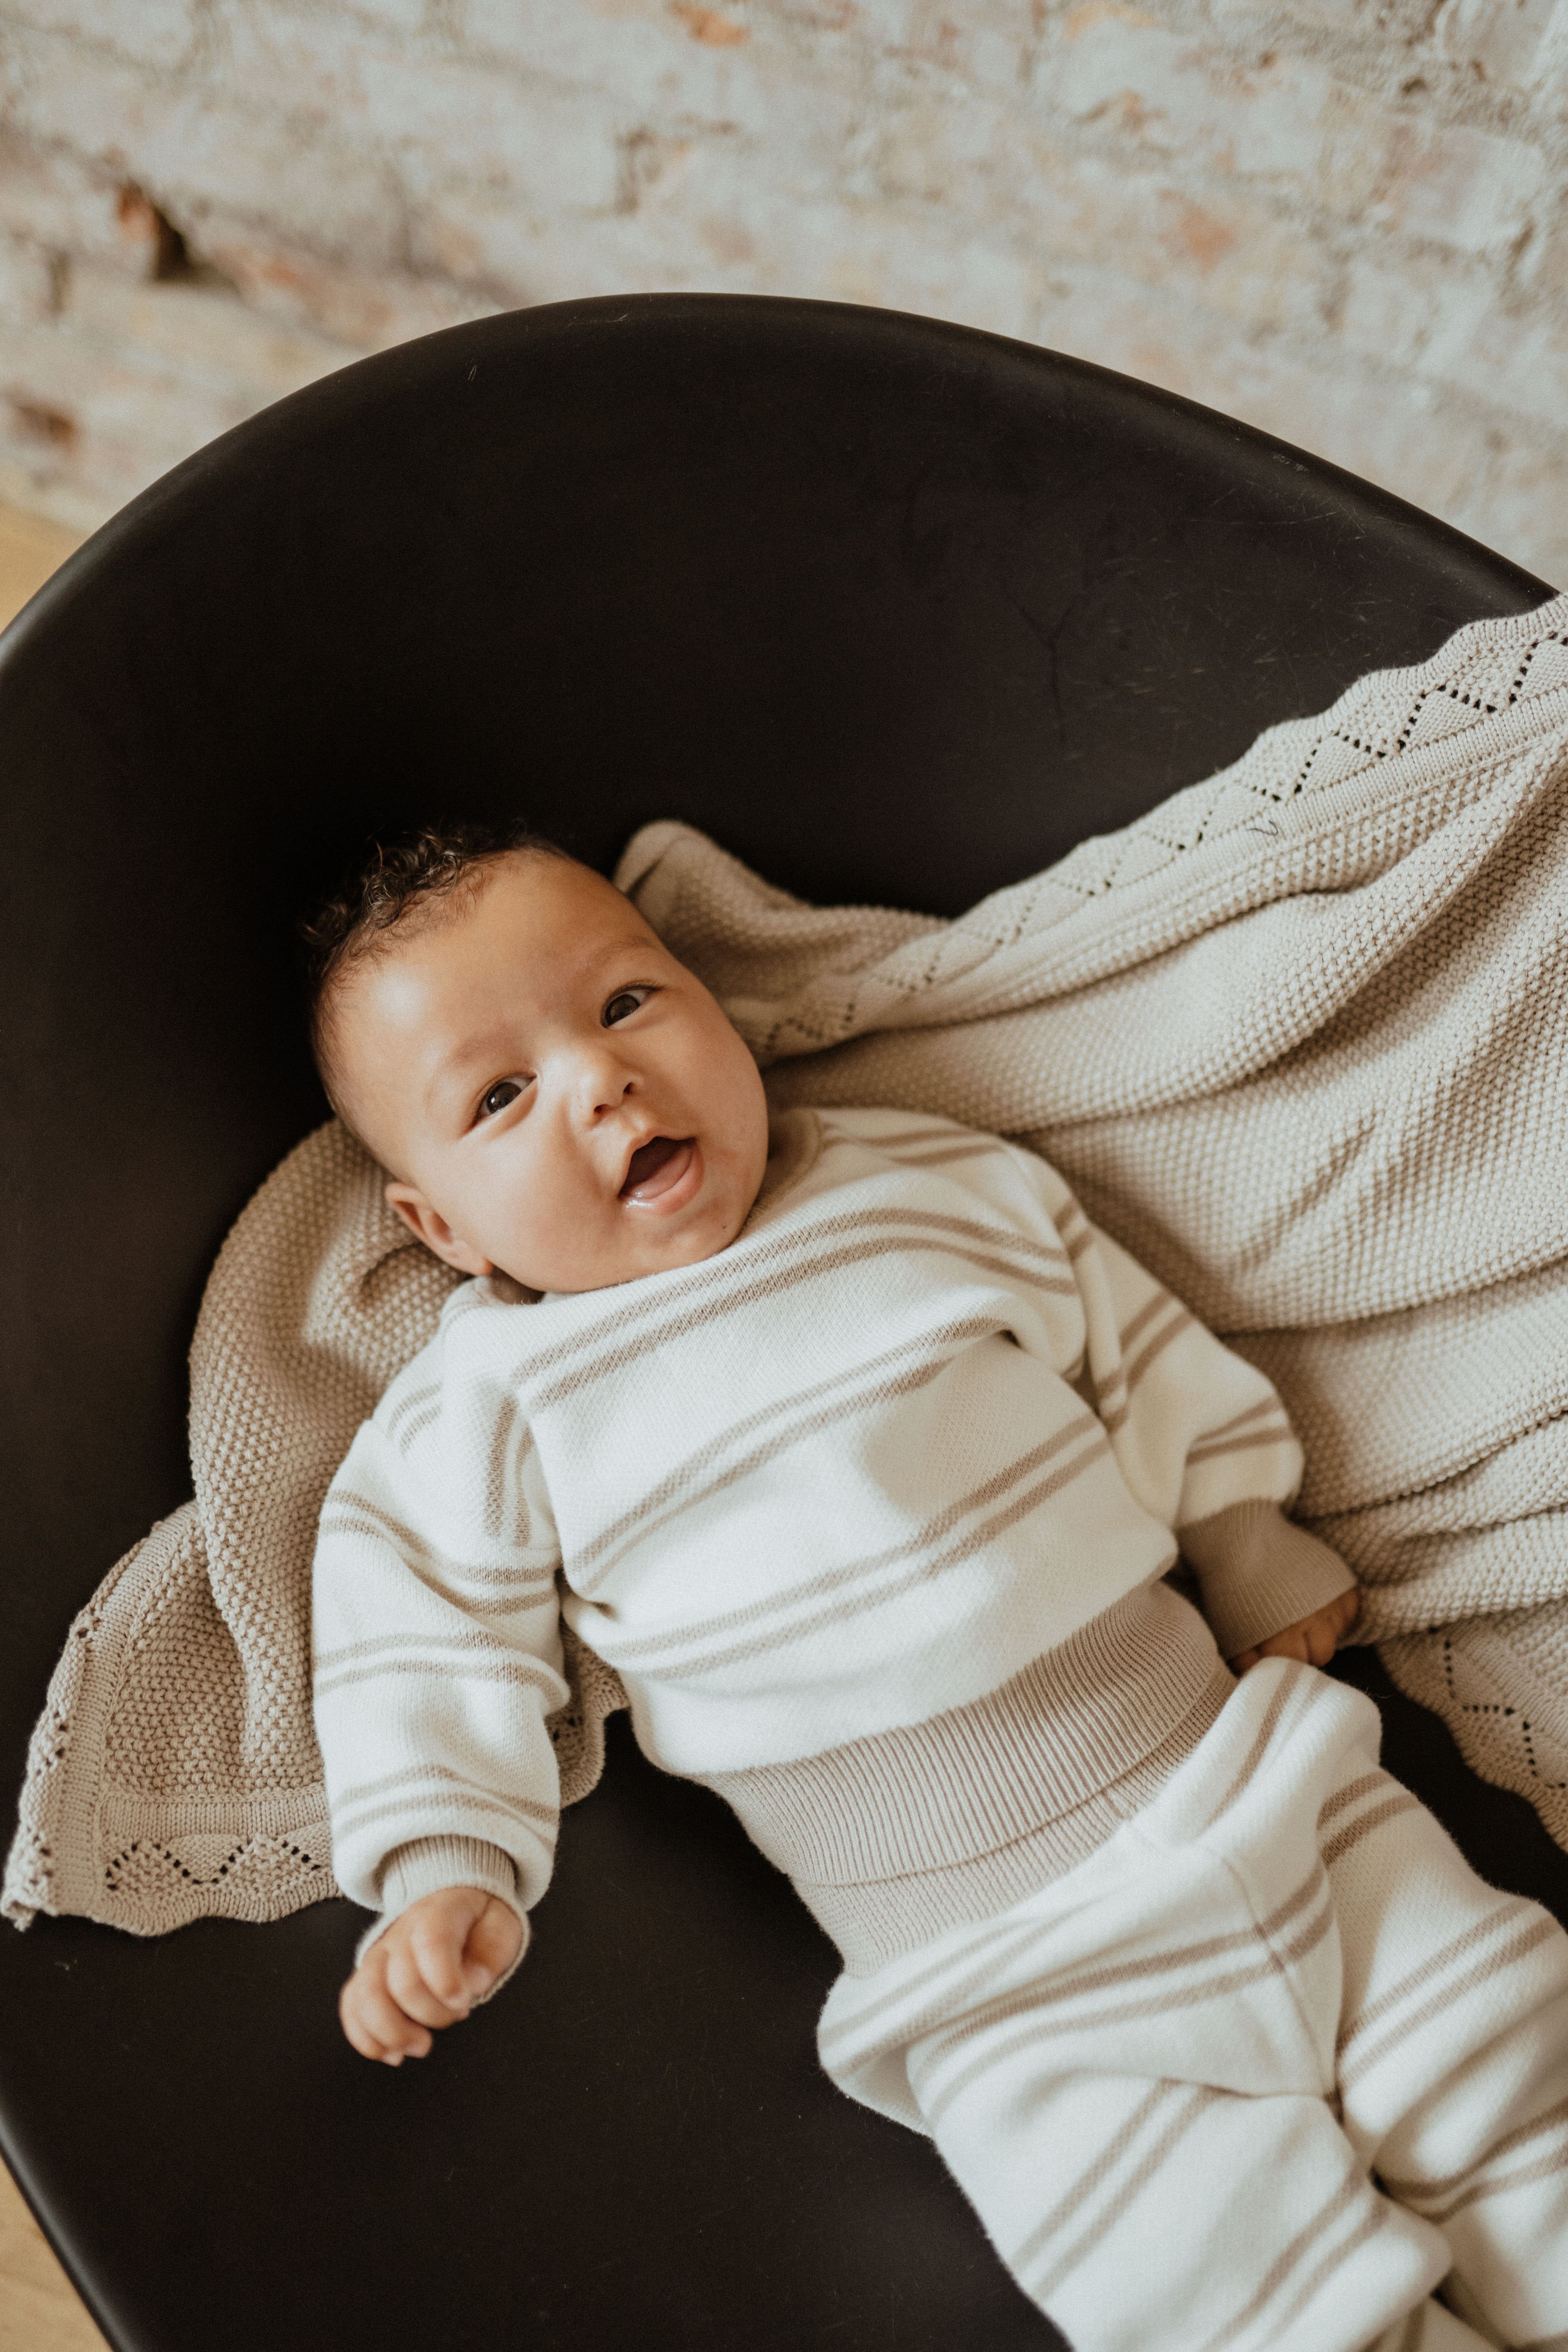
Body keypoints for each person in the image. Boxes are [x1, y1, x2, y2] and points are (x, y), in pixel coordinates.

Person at [304, 824, 1568, 2352]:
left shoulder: (920, 1179)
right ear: (440, 1226)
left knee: (1511, 2056)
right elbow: (415, 1623)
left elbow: (1122, 1335)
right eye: (500, 1097)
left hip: (1263, 1783)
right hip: (1005, 1986)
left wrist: (1240, 1527)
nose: (601, 1080)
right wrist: (447, 1860)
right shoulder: (492, 1402)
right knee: (1228, 2289)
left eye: (628, 1003)